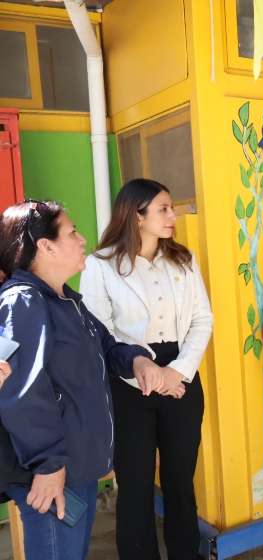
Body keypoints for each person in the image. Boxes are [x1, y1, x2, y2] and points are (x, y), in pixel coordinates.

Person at [0, 200, 164, 560]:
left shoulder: (66, 300)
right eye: (72, 232)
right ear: (46, 246)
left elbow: (105, 346)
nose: (82, 239)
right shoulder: (23, 303)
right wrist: (48, 465)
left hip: (77, 466)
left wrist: (136, 360)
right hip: (52, 473)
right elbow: (22, 390)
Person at [80, 179, 213, 560]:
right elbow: (98, 332)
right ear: (136, 216)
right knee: (135, 486)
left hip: (181, 378)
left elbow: (202, 320)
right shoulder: (101, 265)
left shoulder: (183, 260)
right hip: (127, 382)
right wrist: (143, 373)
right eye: (163, 209)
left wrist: (177, 372)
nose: (173, 216)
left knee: (180, 482)